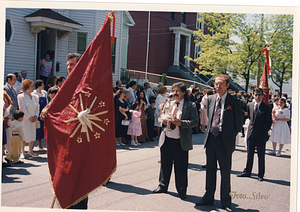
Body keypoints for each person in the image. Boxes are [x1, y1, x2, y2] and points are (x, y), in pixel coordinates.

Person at [196, 74, 243, 211]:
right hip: (211, 139)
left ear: (227, 85)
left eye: (221, 83)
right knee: (210, 170)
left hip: (224, 141)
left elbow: (238, 123)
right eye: (216, 84)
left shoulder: (234, 101)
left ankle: (226, 201)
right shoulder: (210, 99)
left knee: (225, 172)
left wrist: (229, 135)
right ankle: (208, 196)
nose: (218, 86)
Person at [153, 82, 198, 200]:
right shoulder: (168, 103)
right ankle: (162, 185)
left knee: (181, 167)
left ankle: (182, 189)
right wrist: (162, 121)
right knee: (165, 164)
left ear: (184, 92)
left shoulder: (190, 105)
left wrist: (181, 123)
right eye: (173, 90)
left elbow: (195, 121)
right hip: (167, 138)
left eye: (177, 91)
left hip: (181, 141)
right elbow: (161, 116)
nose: (175, 93)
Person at [237, 87, 272, 182]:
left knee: (261, 155)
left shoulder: (267, 107)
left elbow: (269, 122)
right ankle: (247, 171)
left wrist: (265, 132)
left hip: (261, 134)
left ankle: (260, 174)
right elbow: (249, 117)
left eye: (259, 95)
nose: (257, 96)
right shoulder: (250, 105)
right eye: (256, 94)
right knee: (249, 154)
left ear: (262, 95)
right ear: (253, 95)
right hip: (251, 133)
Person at [17, 79, 39, 158]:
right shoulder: (21, 96)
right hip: (25, 119)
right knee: (24, 135)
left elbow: (37, 107)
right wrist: (29, 117)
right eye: (31, 86)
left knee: (32, 134)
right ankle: (22, 152)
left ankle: (30, 151)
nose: (33, 88)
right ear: (27, 87)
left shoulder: (35, 96)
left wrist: (36, 116)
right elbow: (22, 108)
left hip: (33, 119)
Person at [3, 73, 19, 156]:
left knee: (12, 134)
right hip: (8, 114)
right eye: (13, 79)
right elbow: (6, 103)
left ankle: (12, 151)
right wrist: (11, 111)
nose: (15, 81)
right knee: (8, 134)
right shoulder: (4, 88)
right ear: (8, 79)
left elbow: (15, 101)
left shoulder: (15, 89)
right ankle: (8, 152)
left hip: (14, 114)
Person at [33, 79, 48, 150]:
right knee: (36, 128)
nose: (43, 86)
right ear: (38, 86)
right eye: (42, 85)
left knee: (42, 128)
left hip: (43, 111)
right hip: (37, 112)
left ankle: (40, 144)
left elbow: (47, 103)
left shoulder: (44, 92)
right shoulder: (34, 93)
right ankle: (32, 145)